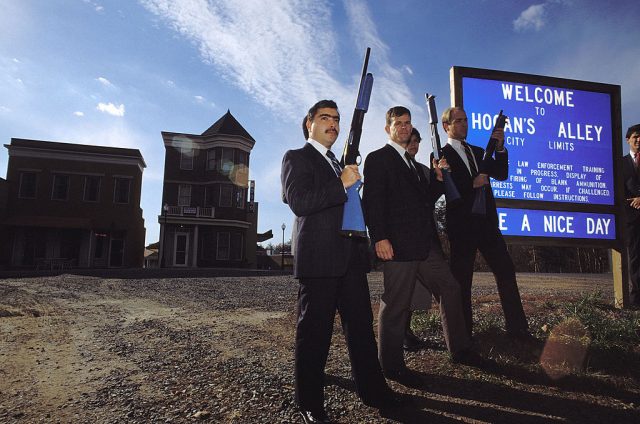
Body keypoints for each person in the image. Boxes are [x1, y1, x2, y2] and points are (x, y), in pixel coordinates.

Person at [281, 100, 400, 423]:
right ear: (309, 124)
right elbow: (299, 202)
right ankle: (308, 403)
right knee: (314, 334)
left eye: (335, 119)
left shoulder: (338, 162)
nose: (332, 123)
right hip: (318, 260)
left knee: (361, 330)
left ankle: (374, 391)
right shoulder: (297, 158)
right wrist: (342, 183)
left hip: (350, 258)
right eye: (324, 118)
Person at [362, 106, 479, 385]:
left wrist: (439, 179)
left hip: (426, 246)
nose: (404, 127)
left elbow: (424, 200)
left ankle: (460, 349)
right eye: (398, 123)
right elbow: (373, 201)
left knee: (450, 288)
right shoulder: (378, 158)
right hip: (397, 246)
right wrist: (379, 237)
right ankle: (390, 366)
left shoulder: (414, 165)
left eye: (407, 123)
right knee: (396, 304)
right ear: (387, 128)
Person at [440, 106, 529, 338]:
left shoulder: (480, 151)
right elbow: (447, 190)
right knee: (462, 281)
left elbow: (501, 173)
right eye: (458, 121)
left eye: (466, 120)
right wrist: (472, 184)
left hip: (487, 223)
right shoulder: (439, 155)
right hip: (462, 227)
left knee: (506, 272)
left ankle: (518, 329)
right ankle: (463, 336)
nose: (464, 124)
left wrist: (500, 148)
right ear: (446, 126)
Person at [403, 128, 433, 351]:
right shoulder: (395, 166)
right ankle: (400, 333)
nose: (414, 145)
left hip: (426, 238)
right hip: (403, 241)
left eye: (417, 141)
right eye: (410, 141)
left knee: (418, 291)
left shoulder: (424, 170)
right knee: (402, 291)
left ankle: (408, 329)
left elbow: (433, 199)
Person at [622, 124, 640, 308]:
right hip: (631, 220)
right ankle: (636, 301)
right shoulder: (621, 163)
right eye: (635, 136)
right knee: (634, 260)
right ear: (628, 139)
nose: (639, 140)